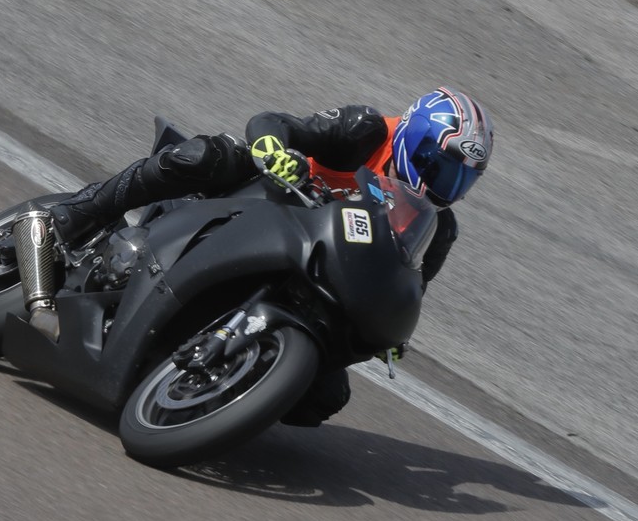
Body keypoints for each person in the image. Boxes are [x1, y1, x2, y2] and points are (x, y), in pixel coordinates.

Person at [44, 87, 494, 425]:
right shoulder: (366, 130)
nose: (445, 184)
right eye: (439, 165)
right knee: (203, 155)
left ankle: (216, 394)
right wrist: (275, 150)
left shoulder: (438, 226)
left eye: (460, 178)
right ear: (414, 137)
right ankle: (80, 212)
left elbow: (412, 282)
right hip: (273, 201)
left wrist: (391, 331)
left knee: (325, 399)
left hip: (319, 268)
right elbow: (275, 122)